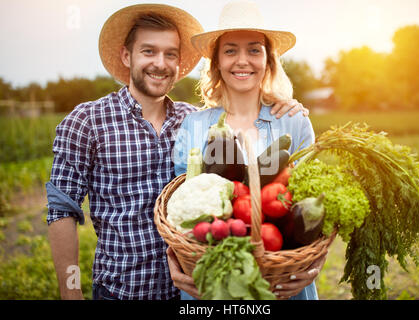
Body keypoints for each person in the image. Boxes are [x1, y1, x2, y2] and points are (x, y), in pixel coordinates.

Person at [46, 4, 309, 300]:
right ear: (126, 55)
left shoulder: (189, 118)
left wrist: (286, 106)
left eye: (170, 54)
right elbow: (61, 209)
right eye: (148, 51)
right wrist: (70, 294)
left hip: (191, 287)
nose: (160, 63)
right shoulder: (88, 121)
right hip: (123, 290)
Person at [170, 1, 326, 300]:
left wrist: (312, 268)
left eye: (254, 50)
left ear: (268, 60)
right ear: (216, 62)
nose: (243, 61)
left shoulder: (294, 123)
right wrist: (175, 261)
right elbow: (178, 207)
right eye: (230, 50)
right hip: (211, 281)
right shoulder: (193, 125)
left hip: (283, 282)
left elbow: (313, 215)